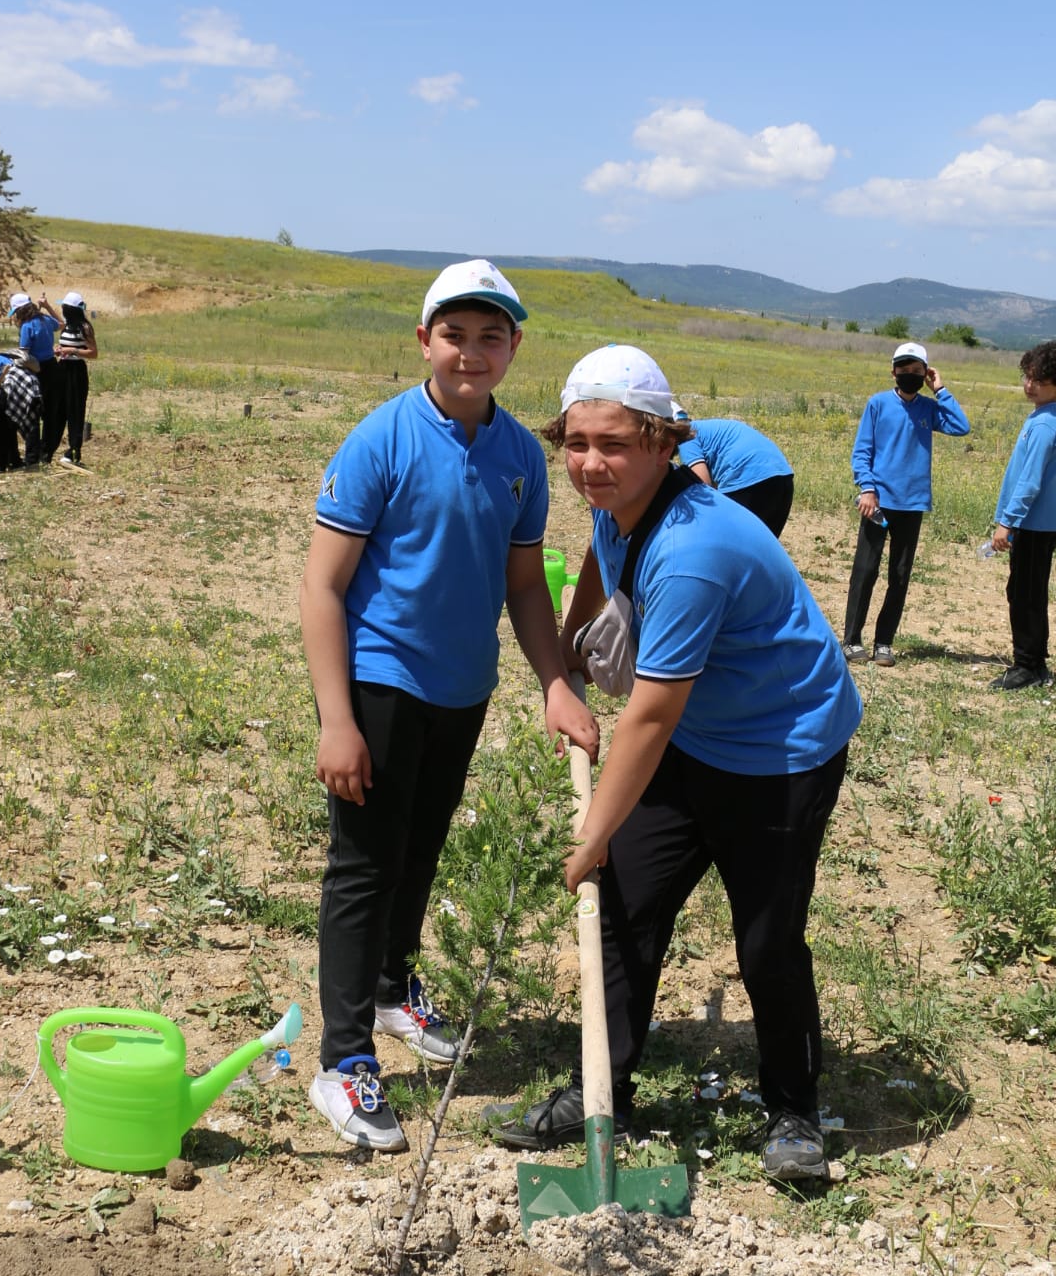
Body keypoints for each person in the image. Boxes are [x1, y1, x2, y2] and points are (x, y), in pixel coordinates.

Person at [494, 344, 863, 1184]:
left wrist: (591, 832)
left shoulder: (696, 549)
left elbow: (651, 715)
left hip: (782, 749)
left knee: (767, 937)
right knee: (625, 902)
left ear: (665, 443)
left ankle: (794, 1111)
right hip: (702, 735)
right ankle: (602, 1093)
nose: (591, 463)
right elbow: (596, 562)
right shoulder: (616, 502)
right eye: (577, 441)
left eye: (615, 443)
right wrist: (569, 657)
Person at [298, 260, 598, 1153]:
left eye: (491, 336)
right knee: (363, 866)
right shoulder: (381, 440)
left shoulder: (516, 456)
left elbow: (524, 586)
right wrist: (337, 719)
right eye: (454, 334)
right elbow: (322, 587)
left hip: (461, 689)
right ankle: (343, 1059)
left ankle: (392, 991)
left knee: (420, 845)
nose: (472, 352)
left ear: (513, 348)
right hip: (381, 685)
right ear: (424, 340)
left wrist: (554, 681)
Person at [842, 343, 970, 666]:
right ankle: (852, 639)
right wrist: (867, 489)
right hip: (879, 503)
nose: (909, 376)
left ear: (925, 374)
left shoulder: (929, 408)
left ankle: (884, 642)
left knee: (899, 575)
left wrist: (940, 390)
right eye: (904, 369)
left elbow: (961, 426)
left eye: (917, 371)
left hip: (912, 504)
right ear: (893, 371)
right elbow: (862, 451)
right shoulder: (878, 404)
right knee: (865, 570)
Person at [988, 340, 1056, 690]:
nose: (1029, 385)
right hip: (1041, 523)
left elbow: (1029, 482)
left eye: (1039, 380)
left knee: (1024, 593)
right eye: (1027, 376)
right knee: (1030, 591)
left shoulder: (1043, 426)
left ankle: (1026, 666)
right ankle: (1036, 662)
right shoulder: (1045, 416)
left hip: (1033, 524)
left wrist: (1007, 522)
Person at [676, 416, 795, 535]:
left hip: (749, 479)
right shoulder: (709, 428)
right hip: (783, 476)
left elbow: (703, 486)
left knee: (724, 542)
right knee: (764, 549)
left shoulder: (687, 436)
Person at [9, 292, 64, 460]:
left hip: (35, 371)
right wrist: (47, 307)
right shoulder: (46, 320)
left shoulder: (27, 327)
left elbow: (24, 355)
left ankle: (32, 455)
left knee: (33, 412)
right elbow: (61, 324)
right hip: (52, 369)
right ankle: (46, 453)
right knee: (49, 413)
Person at [0, 344, 43, 472]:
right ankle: (26, 462)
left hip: (13, 387)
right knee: (27, 425)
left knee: (2, 427)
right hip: (31, 385)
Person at [56, 291, 97, 468]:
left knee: (75, 410)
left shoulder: (84, 328)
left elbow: (94, 353)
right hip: (62, 368)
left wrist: (72, 351)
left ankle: (74, 451)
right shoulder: (67, 326)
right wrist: (60, 349)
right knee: (59, 409)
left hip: (76, 371)